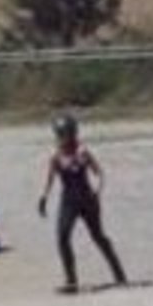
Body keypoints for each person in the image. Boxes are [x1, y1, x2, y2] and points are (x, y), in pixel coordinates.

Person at [38, 114, 127, 294]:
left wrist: (98, 190)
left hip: (87, 200)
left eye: (65, 133)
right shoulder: (56, 157)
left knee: (98, 237)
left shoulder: (82, 153)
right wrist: (43, 198)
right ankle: (71, 280)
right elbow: (50, 179)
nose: (63, 138)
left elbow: (99, 173)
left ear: (73, 133)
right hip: (68, 201)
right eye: (60, 134)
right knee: (62, 237)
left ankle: (119, 274)